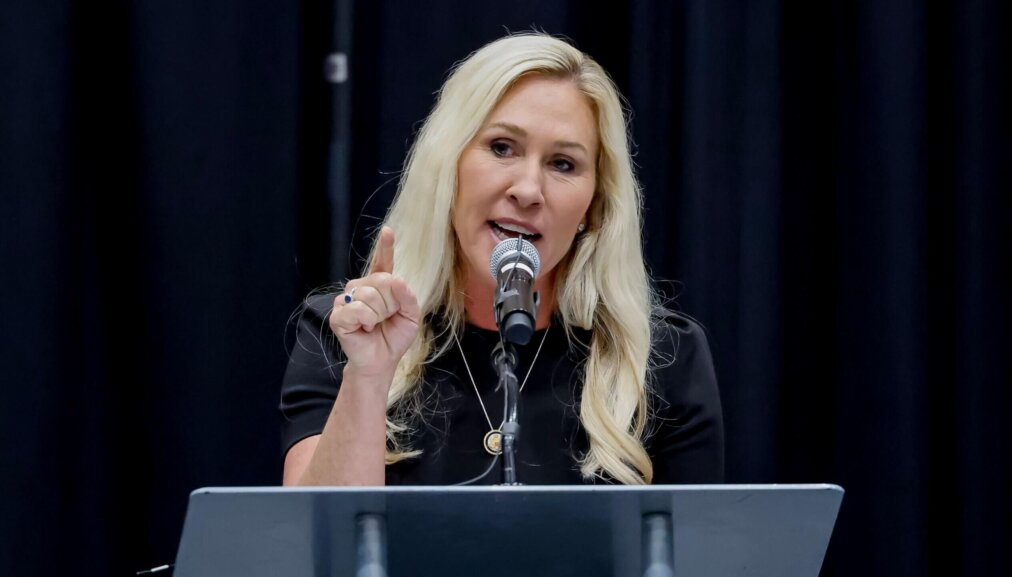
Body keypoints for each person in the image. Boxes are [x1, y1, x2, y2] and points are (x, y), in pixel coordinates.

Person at [280, 32, 724, 486]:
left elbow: (699, 552)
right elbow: (314, 545)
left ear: (593, 206)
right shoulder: (346, 332)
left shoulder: (663, 360)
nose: (528, 190)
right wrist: (368, 376)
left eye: (563, 164)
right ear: (446, 166)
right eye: (502, 148)